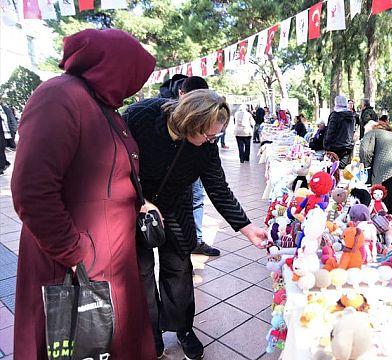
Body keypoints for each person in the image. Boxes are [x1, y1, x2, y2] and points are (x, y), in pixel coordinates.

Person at [11, 28, 157, 359]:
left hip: (109, 261)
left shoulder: (101, 103)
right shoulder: (60, 96)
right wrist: (76, 252)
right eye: (136, 72)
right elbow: (31, 190)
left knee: (113, 342)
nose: (139, 84)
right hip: (74, 264)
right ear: (117, 65)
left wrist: (139, 200)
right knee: (77, 345)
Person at [123, 90, 267, 359]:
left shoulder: (206, 148)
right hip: (134, 206)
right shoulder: (142, 116)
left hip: (176, 207)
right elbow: (115, 161)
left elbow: (218, 188)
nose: (211, 141)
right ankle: (150, 331)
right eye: (207, 135)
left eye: (215, 135)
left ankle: (183, 328)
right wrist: (139, 199)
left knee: (178, 270)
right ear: (190, 121)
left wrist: (247, 228)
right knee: (141, 273)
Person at [178, 77, 222, 256]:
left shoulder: (207, 139)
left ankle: (195, 240)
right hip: (159, 200)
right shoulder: (153, 118)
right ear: (181, 95)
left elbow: (218, 187)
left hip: (191, 176)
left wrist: (246, 227)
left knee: (196, 199)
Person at [324, 95, 356, 168]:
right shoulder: (351, 116)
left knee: (333, 170)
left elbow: (330, 132)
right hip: (347, 148)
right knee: (342, 171)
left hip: (334, 148)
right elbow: (352, 131)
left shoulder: (335, 115)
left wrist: (326, 146)